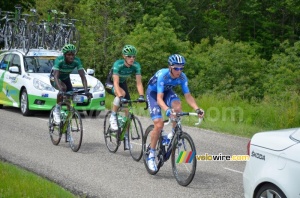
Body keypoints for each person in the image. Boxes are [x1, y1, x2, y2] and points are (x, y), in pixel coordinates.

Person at [146, 54, 205, 171]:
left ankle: (173, 133)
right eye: (176, 68)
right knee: (158, 124)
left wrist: (197, 109)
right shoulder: (163, 75)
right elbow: (159, 98)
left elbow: (188, 96)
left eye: (181, 68)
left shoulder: (182, 77)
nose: (179, 71)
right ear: (170, 67)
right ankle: (151, 155)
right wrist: (167, 110)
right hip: (154, 94)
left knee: (178, 107)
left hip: (167, 92)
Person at [105, 45, 145, 150]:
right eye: (129, 56)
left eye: (133, 56)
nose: (132, 58)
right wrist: (120, 96)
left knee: (128, 111)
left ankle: (126, 138)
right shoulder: (118, 65)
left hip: (123, 84)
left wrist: (141, 96)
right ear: (124, 56)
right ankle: (113, 116)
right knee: (121, 93)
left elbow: (139, 83)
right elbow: (116, 83)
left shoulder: (136, 66)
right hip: (111, 84)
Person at [50, 44, 91, 124]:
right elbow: (56, 76)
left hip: (66, 78)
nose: (71, 57)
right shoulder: (59, 60)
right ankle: (57, 110)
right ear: (64, 55)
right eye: (69, 55)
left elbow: (83, 76)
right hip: (55, 78)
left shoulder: (77, 61)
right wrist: (61, 90)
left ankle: (67, 129)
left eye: (72, 55)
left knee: (70, 97)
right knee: (63, 88)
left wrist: (86, 90)